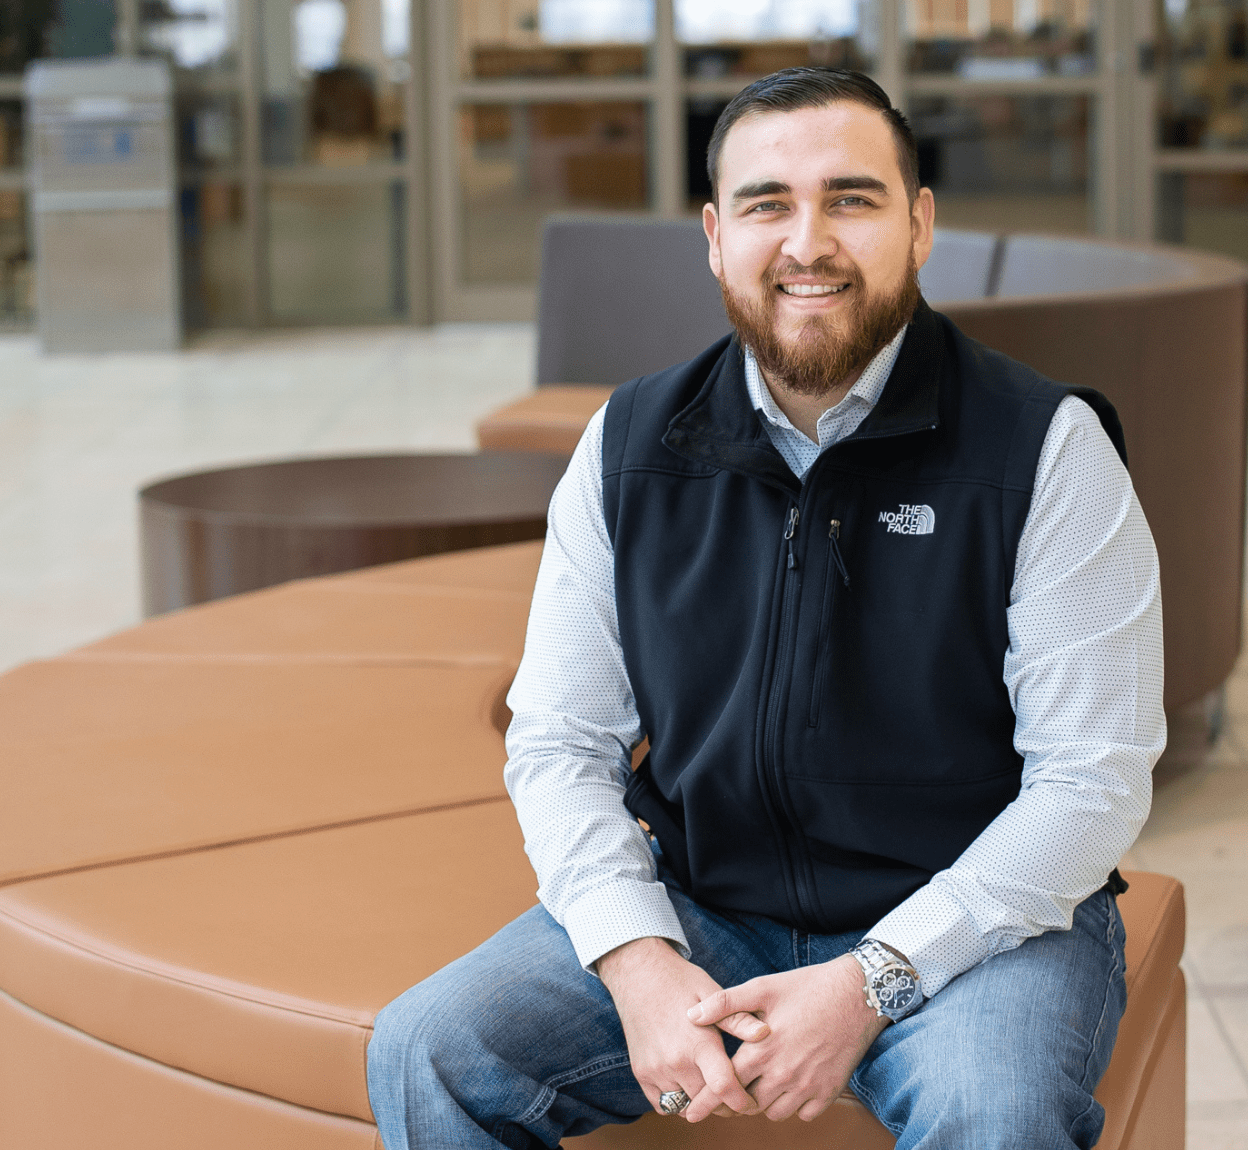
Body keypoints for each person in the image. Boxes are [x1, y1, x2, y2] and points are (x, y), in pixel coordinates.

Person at [366, 66, 1164, 1150]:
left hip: (982, 926)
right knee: (426, 1051)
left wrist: (872, 980)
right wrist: (637, 960)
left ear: (919, 223)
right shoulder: (628, 447)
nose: (807, 242)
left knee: (999, 1115)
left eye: (850, 198)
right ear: (712, 234)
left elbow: (1092, 779)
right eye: (765, 204)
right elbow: (557, 741)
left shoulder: (1046, 449)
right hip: (707, 903)